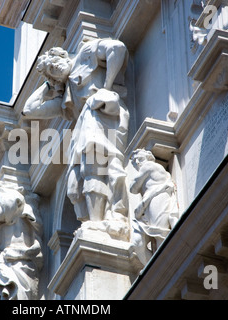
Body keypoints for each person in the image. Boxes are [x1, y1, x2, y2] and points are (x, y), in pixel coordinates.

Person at [22, 39, 129, 227]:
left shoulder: (86, 53)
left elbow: (117, 48)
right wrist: (50, 83)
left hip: (103, 113)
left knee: (94, 165)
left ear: (63, 55)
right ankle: (94, 222)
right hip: (85, 126)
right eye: (52, 70)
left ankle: (101, 222)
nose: (55, 67)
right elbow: (29, 110)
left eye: (55, 63)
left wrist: (106, 86)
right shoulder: (66, 98)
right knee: (74, 185)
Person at [129, 149, 179, 264]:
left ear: (148, 158)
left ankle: (166, 265)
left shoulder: (149, 166)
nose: (137, 162)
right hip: (148, 203)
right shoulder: (148, 168)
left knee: (159, 233)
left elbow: (133, 188)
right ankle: (154, 267)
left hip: (157, 199)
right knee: (137, 243)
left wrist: (143, 203)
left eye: (140, 159)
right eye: (134, 161)